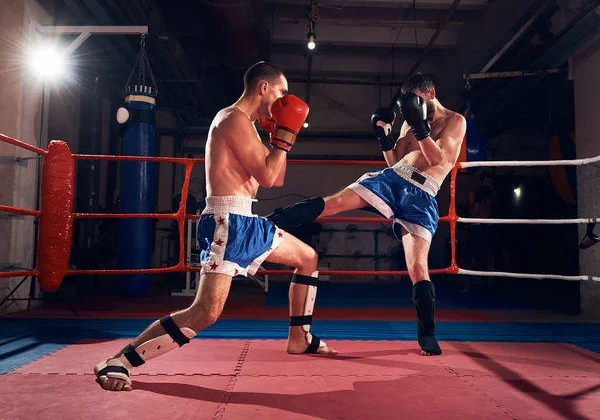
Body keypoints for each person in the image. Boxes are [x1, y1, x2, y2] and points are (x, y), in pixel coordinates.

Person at [94, 61, 336, 392]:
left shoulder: (249, 127)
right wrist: (284, 139)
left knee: (307, 257)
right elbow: (267, 175)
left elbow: (275, 178)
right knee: (205, 312)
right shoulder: (232, 118)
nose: (285, 99)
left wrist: (280, 134)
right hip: (228, 223)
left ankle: (299, 337)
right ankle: (119, 361)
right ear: (263, 87)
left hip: (248, 221)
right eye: (282, 91)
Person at [266, 72, 466, 356]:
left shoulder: (455, 121)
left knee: (418, 268)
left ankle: (427, 335)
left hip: (424, 195)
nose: (413, 109)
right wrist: (384, 138)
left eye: (418, 102)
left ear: (430, 95)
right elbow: (395, 159)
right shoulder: (411, 120)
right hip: (393, 179)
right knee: (335, 202)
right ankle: (268, 222)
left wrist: (420, 126)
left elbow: (438, 159)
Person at [463, 172, 496, 292]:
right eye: (486, 182)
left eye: (490, 183)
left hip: (488, 227)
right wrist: (479, 199)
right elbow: (472, 213)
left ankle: (487, 287)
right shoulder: (474, 194)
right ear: (480, 182)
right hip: (477, 227)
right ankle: (466, 286)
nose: (488, 185)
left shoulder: (491, 195)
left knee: (486, 257)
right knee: (472, 257)